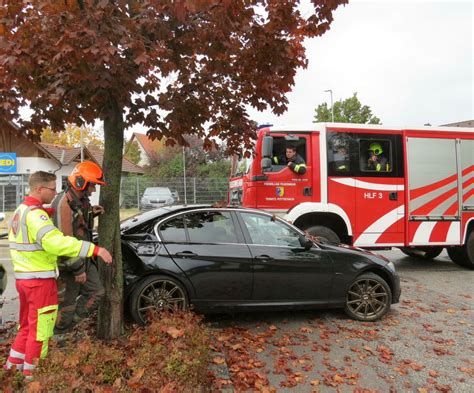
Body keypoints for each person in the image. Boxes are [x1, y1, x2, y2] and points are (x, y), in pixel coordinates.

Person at [4, 171, 112, 378]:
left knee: (26, 327)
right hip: (39, 283)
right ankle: (33, 378)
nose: (55, 193)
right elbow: (57, 242)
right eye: (52, 189)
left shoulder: (21, 211)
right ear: (39, 189)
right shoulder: (37, 215)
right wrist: (94, 250)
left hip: (25, 280)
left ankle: (12, 369)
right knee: (41, 332)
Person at [51, 161, 106, 334]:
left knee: (97, 293)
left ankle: (68, 328)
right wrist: (77, 270)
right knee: (66, 306)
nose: (94, 190)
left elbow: (79, 222)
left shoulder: (80, 201)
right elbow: (64, 243)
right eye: (92, 186)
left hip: (84, 259)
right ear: (81, 182)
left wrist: (91, 213)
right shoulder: (63, 205)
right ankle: (59, 338)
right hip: (69, 266)